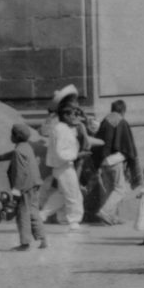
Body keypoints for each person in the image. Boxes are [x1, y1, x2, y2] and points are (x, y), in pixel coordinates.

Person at [39, 87, 100, 228]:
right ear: (65, 115)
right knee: (73, 193)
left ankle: (43, 215)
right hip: (64, 165)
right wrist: (77, 154)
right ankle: (74, 220)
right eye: (72, 114)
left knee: (62, 194)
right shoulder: (60, 129)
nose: (74, 116)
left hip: (64, 165)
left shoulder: (63, 128)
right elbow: (61, 152)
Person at [0, 122, 48, 251]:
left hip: (25, 187)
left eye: (11, 134)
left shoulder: (19, 151)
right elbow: (11, 155)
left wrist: (16, 190)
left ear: (16, 136)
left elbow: (20, 172)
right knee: (33, 212)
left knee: (22, 213)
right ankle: (42, 239)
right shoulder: (26, 147)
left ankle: (25, 243)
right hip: (34, 184)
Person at [89, 99, 140, 225]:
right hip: (116, 160)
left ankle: (111, 218)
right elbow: (128, 145)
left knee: (109, 189)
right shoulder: (121, 122)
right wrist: (132, 160)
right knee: (120, 189)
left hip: (103, 161)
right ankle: (105, 212)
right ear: (123, 110)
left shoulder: (105, 121)